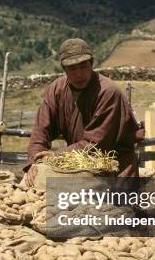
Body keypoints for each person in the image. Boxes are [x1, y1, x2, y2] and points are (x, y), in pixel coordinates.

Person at [23, 38, 144, 185]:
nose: (79, 74)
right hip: (79, 169)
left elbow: (96, 143)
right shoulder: (56, 90)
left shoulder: (108, 92)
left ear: (91, 64)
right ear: (64, 69)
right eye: (72, 68)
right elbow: (41, 130)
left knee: (118, 207)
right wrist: (35, 160)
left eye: (83, 66)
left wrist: (57, 155)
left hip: (116, 170)